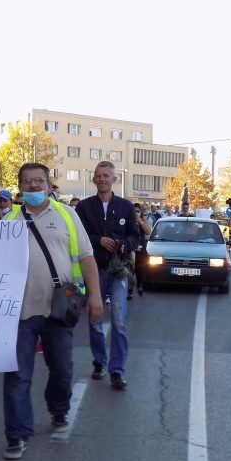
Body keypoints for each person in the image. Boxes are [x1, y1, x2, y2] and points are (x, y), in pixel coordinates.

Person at [0, 163, 102, 460]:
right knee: (17, 375)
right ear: (20, 186)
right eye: (27, 182)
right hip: (20, 312)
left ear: (48, 184)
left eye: (38, 181)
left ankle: (59, 410)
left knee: (61, 368)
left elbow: (86, 257)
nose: (33, 186)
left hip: (60, 308)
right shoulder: (8, 220)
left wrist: (95, 296)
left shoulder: (68, 216)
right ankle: (17, 434)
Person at [75, 161, 139, 390]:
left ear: (115, 179)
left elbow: (136, 236)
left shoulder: (126, 207)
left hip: (118, 271)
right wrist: (98, 240)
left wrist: (124, 243)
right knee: (94, 317)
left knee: (119, 322)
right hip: (94, 270)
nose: (102, 179)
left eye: (106, 175)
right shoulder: (83, 207)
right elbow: (77, 237)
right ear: (93, 179)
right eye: (98, 175)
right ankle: (100, 361)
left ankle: (117, 370)